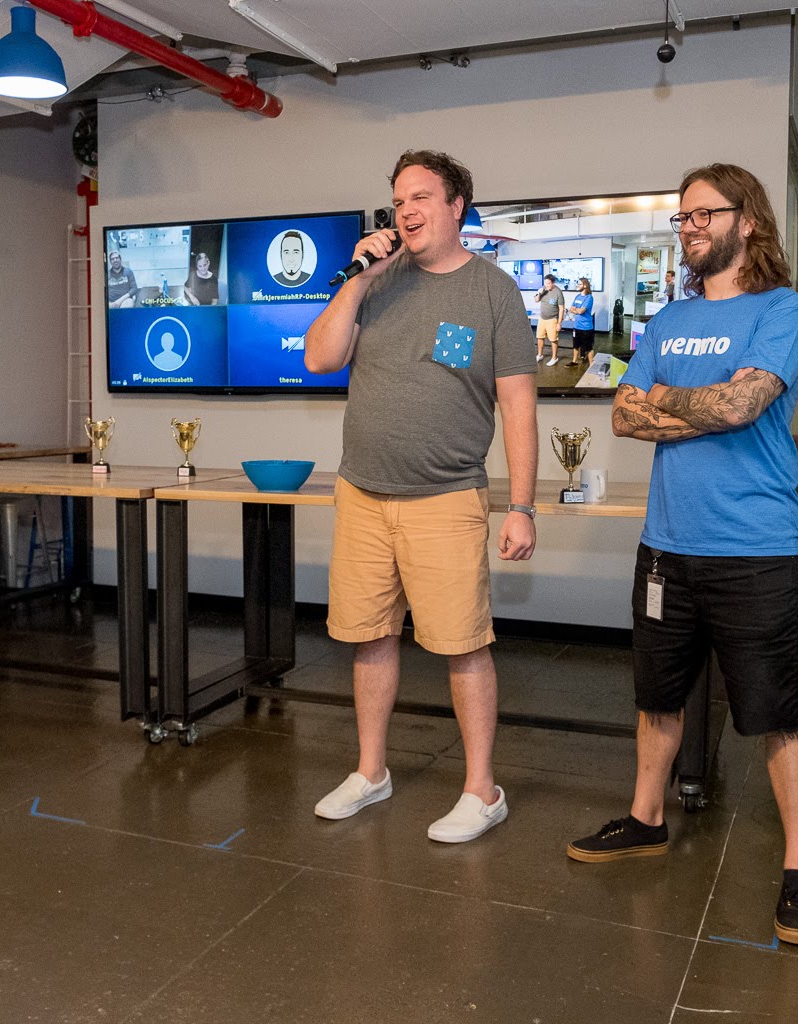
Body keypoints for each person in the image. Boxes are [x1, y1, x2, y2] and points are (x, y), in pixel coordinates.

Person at [565, 163, 798, 946]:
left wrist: (674, 401)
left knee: (777, 713)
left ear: (749, 220)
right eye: (682, 217)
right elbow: (622, 415)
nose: (690, 227)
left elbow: (745, 405)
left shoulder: (784, 310)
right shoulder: (670, 319)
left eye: (704, 213)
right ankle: (645, 818)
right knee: (658, 696)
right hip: (666, 548)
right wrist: (706, 404)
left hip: (756, 549)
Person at [304, 149, 539, 844]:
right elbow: (319, 357)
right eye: (399, 199)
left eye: (421, 197)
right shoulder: (377, 280)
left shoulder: (493, 291)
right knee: (370, 637)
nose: (406, 211)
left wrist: (521, 506)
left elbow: (518, 407)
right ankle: (371, 771)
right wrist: (357, 279)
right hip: (363, 495)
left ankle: (482, 790)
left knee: (464, 647)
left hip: (446, 497)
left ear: (456, 206)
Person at [533, 273, 565, 366]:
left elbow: (561, 308)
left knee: (553, 339)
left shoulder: (558, 292)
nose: (546, 285)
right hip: (542, 318)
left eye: (548, 283)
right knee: (540, 337)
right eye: (545, 283)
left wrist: (559, 323)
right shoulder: (543, 289)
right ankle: (540, 355)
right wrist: (539, 293)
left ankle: (554, 358)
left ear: (553, 283)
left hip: (552, 319)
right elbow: (536, 300)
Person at [569, 277, 595, 367]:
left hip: (586, 327)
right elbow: (571, 308)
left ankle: (591, 365)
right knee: (576, 345)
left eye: (580, 284)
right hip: (577, 326)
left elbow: (581, 311)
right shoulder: (578, 296)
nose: (578, 285)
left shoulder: (589, 298)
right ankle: (574, 361)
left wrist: (576, 310)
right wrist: (576, 310)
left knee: (588, 347)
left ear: (585, 285)